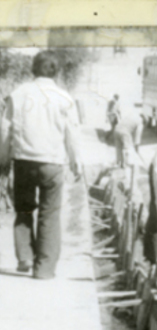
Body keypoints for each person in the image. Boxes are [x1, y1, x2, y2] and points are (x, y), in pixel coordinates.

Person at [0, 50, 82, 279]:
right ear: (56, 72)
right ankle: (44, 269)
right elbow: (72, 134)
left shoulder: (17, 94)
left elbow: (5, 130)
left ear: (33, 69)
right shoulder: (64, 98)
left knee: (24, 209)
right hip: (52, 164)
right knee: (49, 215)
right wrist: (76, 163)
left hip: (24, 162)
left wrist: (3, 161)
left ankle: (25, 255)